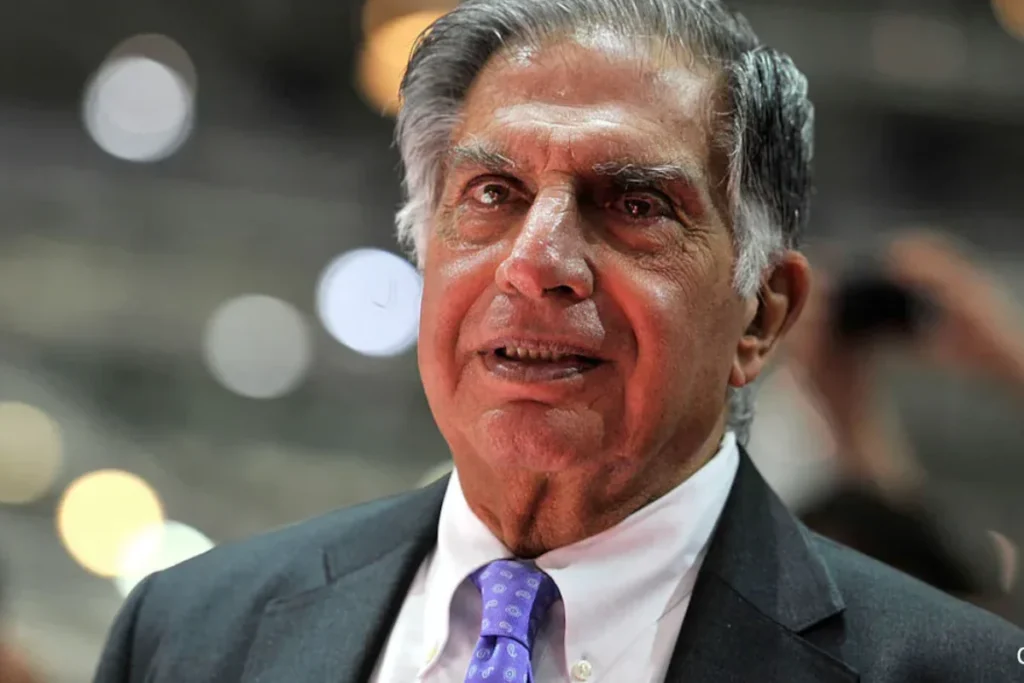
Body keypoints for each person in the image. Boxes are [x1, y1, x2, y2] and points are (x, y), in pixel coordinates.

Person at [93, 2, 1024, 682]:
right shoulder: (192, 635)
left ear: (761, 315)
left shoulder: (953, 671)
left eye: (635, 204)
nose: (535, 263)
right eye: (492, 194)